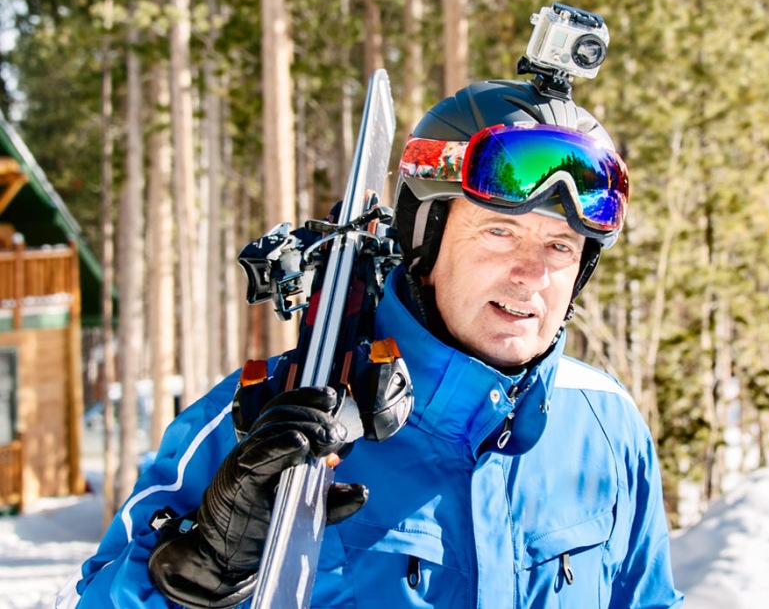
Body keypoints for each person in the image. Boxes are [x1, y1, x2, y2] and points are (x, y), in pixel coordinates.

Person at [60, 76, 684, 608]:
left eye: (560, 247)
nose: (532, 275)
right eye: (499, 232)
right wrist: (208, 566)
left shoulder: (605, 423)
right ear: (427, 239)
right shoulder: (272, 417)